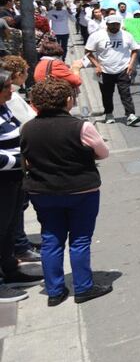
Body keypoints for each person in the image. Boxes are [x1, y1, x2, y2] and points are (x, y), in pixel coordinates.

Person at [20, 78, 111, 305]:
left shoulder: (27, 128)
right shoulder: (81, 127)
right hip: (81, 190)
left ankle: (54, 291)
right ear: (68, 100)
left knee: (51, 239)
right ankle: (83, 287)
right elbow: (103, 153)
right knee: (80, 240)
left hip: (43, 192)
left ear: (36, 103)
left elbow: (26, 159)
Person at [0, 70, 45, 303]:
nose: (12, 90)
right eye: (7, 87)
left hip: (14, 179)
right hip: (3, 179)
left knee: (9, 226)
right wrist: (20, 161)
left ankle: (10, 270)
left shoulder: (4, 108)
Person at [84, 15, 140, 126]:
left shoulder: (127, 35)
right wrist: (97, 65)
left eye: (117, 24)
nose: (115, 27)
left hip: (123, 69)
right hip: (104, 70)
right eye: (112, 24)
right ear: (107, 24)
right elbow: (88, 52)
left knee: (125, 93)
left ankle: (130, 115)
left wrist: (131, 64)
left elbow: (135, 50)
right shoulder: (97, 35)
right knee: (107, 94)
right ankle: (109, 114)